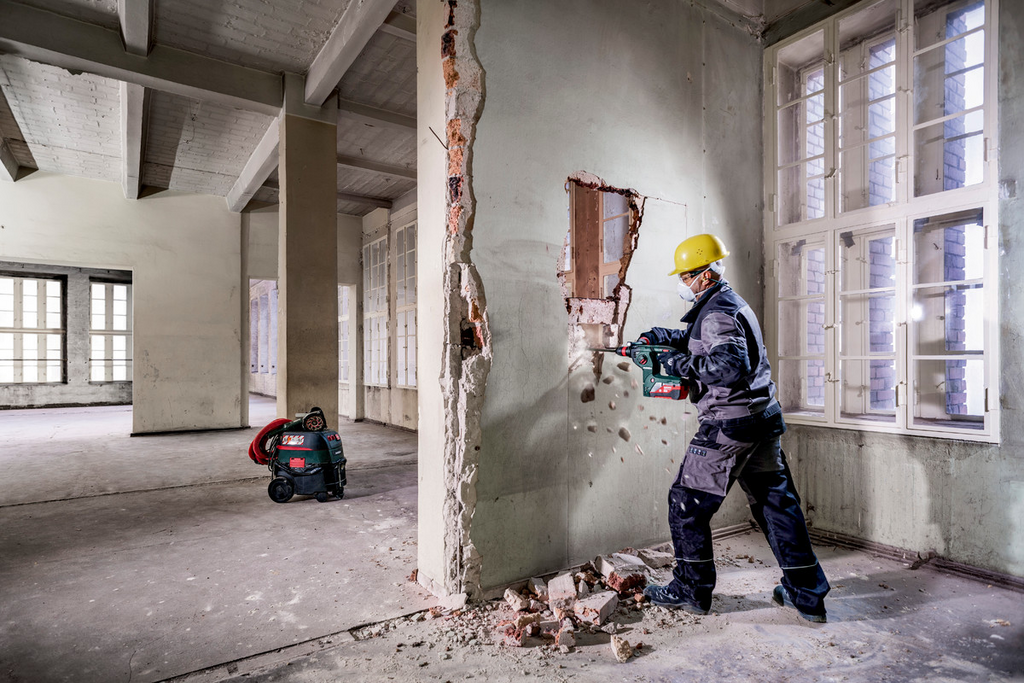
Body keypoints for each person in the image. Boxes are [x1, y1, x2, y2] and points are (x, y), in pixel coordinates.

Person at [639, 233, 830, 623]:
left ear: (706, 275)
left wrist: (676, 366)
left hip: (729, 425)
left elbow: (726, 366)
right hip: (762, 420)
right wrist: (663, 338)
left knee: (686, 503)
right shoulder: (725, 304)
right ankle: (806, 594)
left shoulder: (717, 313)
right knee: (777, 506)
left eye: (687, 275)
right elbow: (704, 344)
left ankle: (691, 590)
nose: (683, 282)